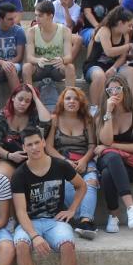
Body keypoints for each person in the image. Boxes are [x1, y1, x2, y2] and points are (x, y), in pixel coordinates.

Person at [11, 127, 86, 265]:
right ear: (23, 148)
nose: (34, 147)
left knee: (67, 245)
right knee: (21, 245)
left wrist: (72, 210)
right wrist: (34, 236)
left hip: (55, 221)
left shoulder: (60, 165)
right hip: (30, 222)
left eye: (37, 142)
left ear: (44, 142)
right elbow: (20, 211)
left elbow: (81, 186)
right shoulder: (19, 174)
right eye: (29, 144)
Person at [46, 86, 98, 239]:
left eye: (76, 99)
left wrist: (84, 160)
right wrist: (65, 161)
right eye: (68, 98)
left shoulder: (87, 120)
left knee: (91, 181)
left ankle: (86, 221)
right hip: (62, 162)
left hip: (84, 160)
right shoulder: (55, 119)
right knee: (67, 184)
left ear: (81, 102)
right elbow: (48, 147)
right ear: (62, 101)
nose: (72, 101)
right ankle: (81, 218)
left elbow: (92, 145)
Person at [96, 74, 133, 232]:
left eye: (117, 88)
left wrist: (112, 147)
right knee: (112, 157)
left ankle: (114, 215)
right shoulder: (101, 114)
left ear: (125, 90)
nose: (114, 93)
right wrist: (108, 112)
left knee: (107, 174)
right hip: (107, 159)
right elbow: (106, 140)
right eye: (110, 90)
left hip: (131, 165)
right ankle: (131, 207)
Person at [0, 84, 51, 181]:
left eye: (27, 101)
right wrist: (10, 156)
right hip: (8, 158)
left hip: (33, 159)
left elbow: (47, 121)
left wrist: (35, 98)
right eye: (20, 99)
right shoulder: (2, 117)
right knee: (3, 177)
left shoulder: (34, 116)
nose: (23, 103)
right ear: (13, 98)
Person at [83, 7, 133, 113]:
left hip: (112, 66)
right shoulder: (105, 30)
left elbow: (123, 57)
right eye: (129, 25)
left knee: (132, 71)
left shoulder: (125, 35)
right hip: (94, 66)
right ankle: (95, 109)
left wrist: (114, 68)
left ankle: (131, 106)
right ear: (120, 23)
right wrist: (129, 46)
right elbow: (109, 51)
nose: (131, 28)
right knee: (100, 75)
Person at [24, 0, 76, 90]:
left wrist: (62, 60)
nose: (37, 19)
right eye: (36, 15)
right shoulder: (31, 31)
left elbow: (69, 57)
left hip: (56, 67)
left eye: (40, 16)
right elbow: (29, 57)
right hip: (40, 67)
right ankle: (29, 95)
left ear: (50, 16)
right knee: (26, 67)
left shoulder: (65, 31)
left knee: (70, 67)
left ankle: (70, 95)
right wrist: (38, 60)